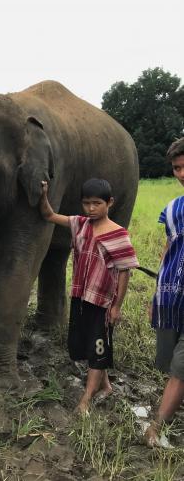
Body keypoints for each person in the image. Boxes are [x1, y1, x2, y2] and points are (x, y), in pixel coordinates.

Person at [40, 178, 138, 414]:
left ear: (109, 203)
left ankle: (86, 398)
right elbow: (50, 215)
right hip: (81, 297)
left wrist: (117, 306)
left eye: (97, 203)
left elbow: (124, 273)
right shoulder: (80, 225)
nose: (91, 208)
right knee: (88, 345)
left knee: (98, 347)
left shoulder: (118, 234)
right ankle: (106, 386)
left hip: (102, 302)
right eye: (86, 203)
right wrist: (44, 194)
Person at [144, 137, 184, 447]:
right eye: (176, 168)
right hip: (172, 295)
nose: (181, 173)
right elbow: (168, 250)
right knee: (170, 362)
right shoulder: (172, 210)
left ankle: (156, 427)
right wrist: (156, 294)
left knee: (180, 368)